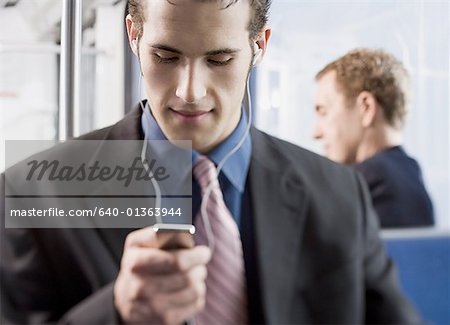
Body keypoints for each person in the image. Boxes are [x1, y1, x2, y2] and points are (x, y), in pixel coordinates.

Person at [0, 1, 421, 324]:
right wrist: (115, 312)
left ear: (259, 47)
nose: (189, 91)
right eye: (166, 56)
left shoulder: (339, 195)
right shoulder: (33, 189)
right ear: (133, 34)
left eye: (220, 60)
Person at [313, 48, 435, 229]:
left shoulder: (370, 181)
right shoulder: (408, 173)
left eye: (323, 111)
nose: (315, 132)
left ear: (366, 108)